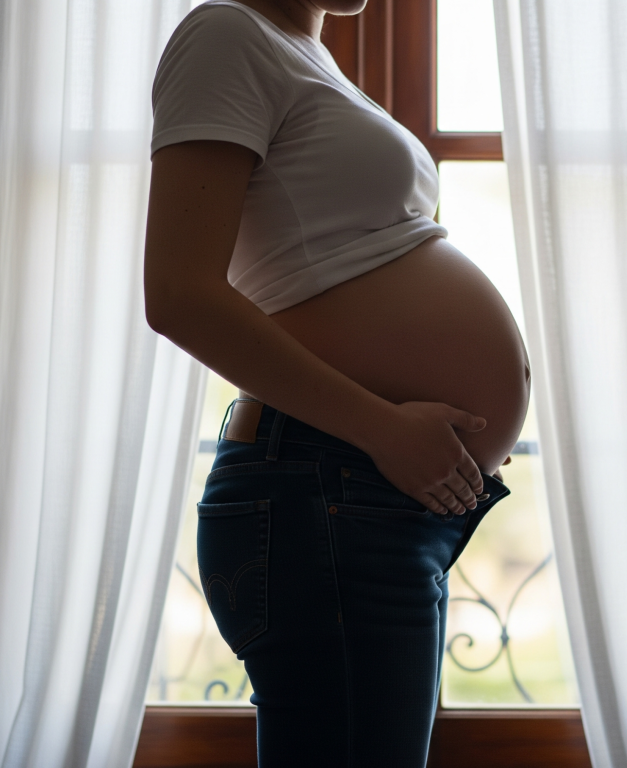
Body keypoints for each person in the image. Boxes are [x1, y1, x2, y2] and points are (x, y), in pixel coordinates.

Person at [143, 0, 531, 764]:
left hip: (359, 493)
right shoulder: (226, 31)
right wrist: (384, 427)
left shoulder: (304, 53)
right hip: (322, 485)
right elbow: (179, 295)